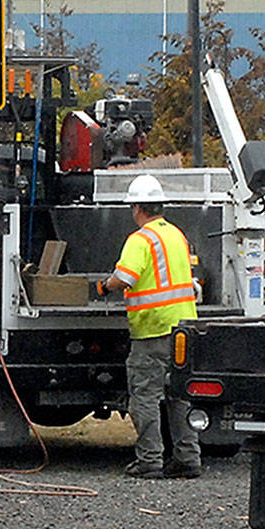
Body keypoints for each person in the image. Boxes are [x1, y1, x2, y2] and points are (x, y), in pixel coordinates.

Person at [96, 173, 202, 480]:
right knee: (179, 396)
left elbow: (124, 279)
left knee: (144, 396)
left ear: (138, 208)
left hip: (152, 330)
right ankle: (188, 458)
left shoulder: (140, 239)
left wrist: (104, 286)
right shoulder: (176, 235)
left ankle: (150, 459)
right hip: (183, 329)